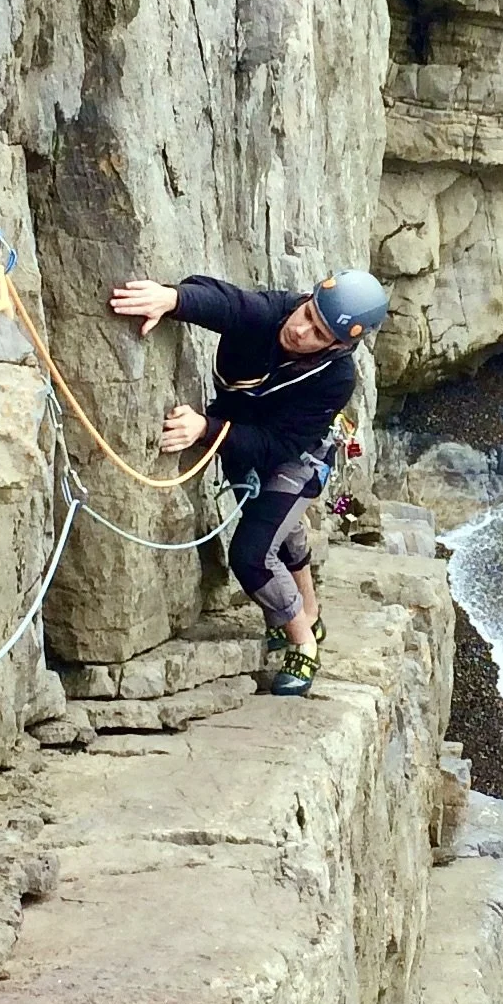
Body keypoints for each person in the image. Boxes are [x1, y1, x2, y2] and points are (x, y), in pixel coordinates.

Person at [108, 268, 388, 696]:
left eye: (317, 331)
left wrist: (207, 429)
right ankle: (309, 612)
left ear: (338, 345)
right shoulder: (276, 312)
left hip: (295, 457)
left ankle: (303, 640)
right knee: (283, 529)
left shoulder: (335, 378)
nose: (300, 329)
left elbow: (278, 445)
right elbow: (230, 303)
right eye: (307, 313)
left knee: (252, 553)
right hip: (245, 432)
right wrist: (172, 300)